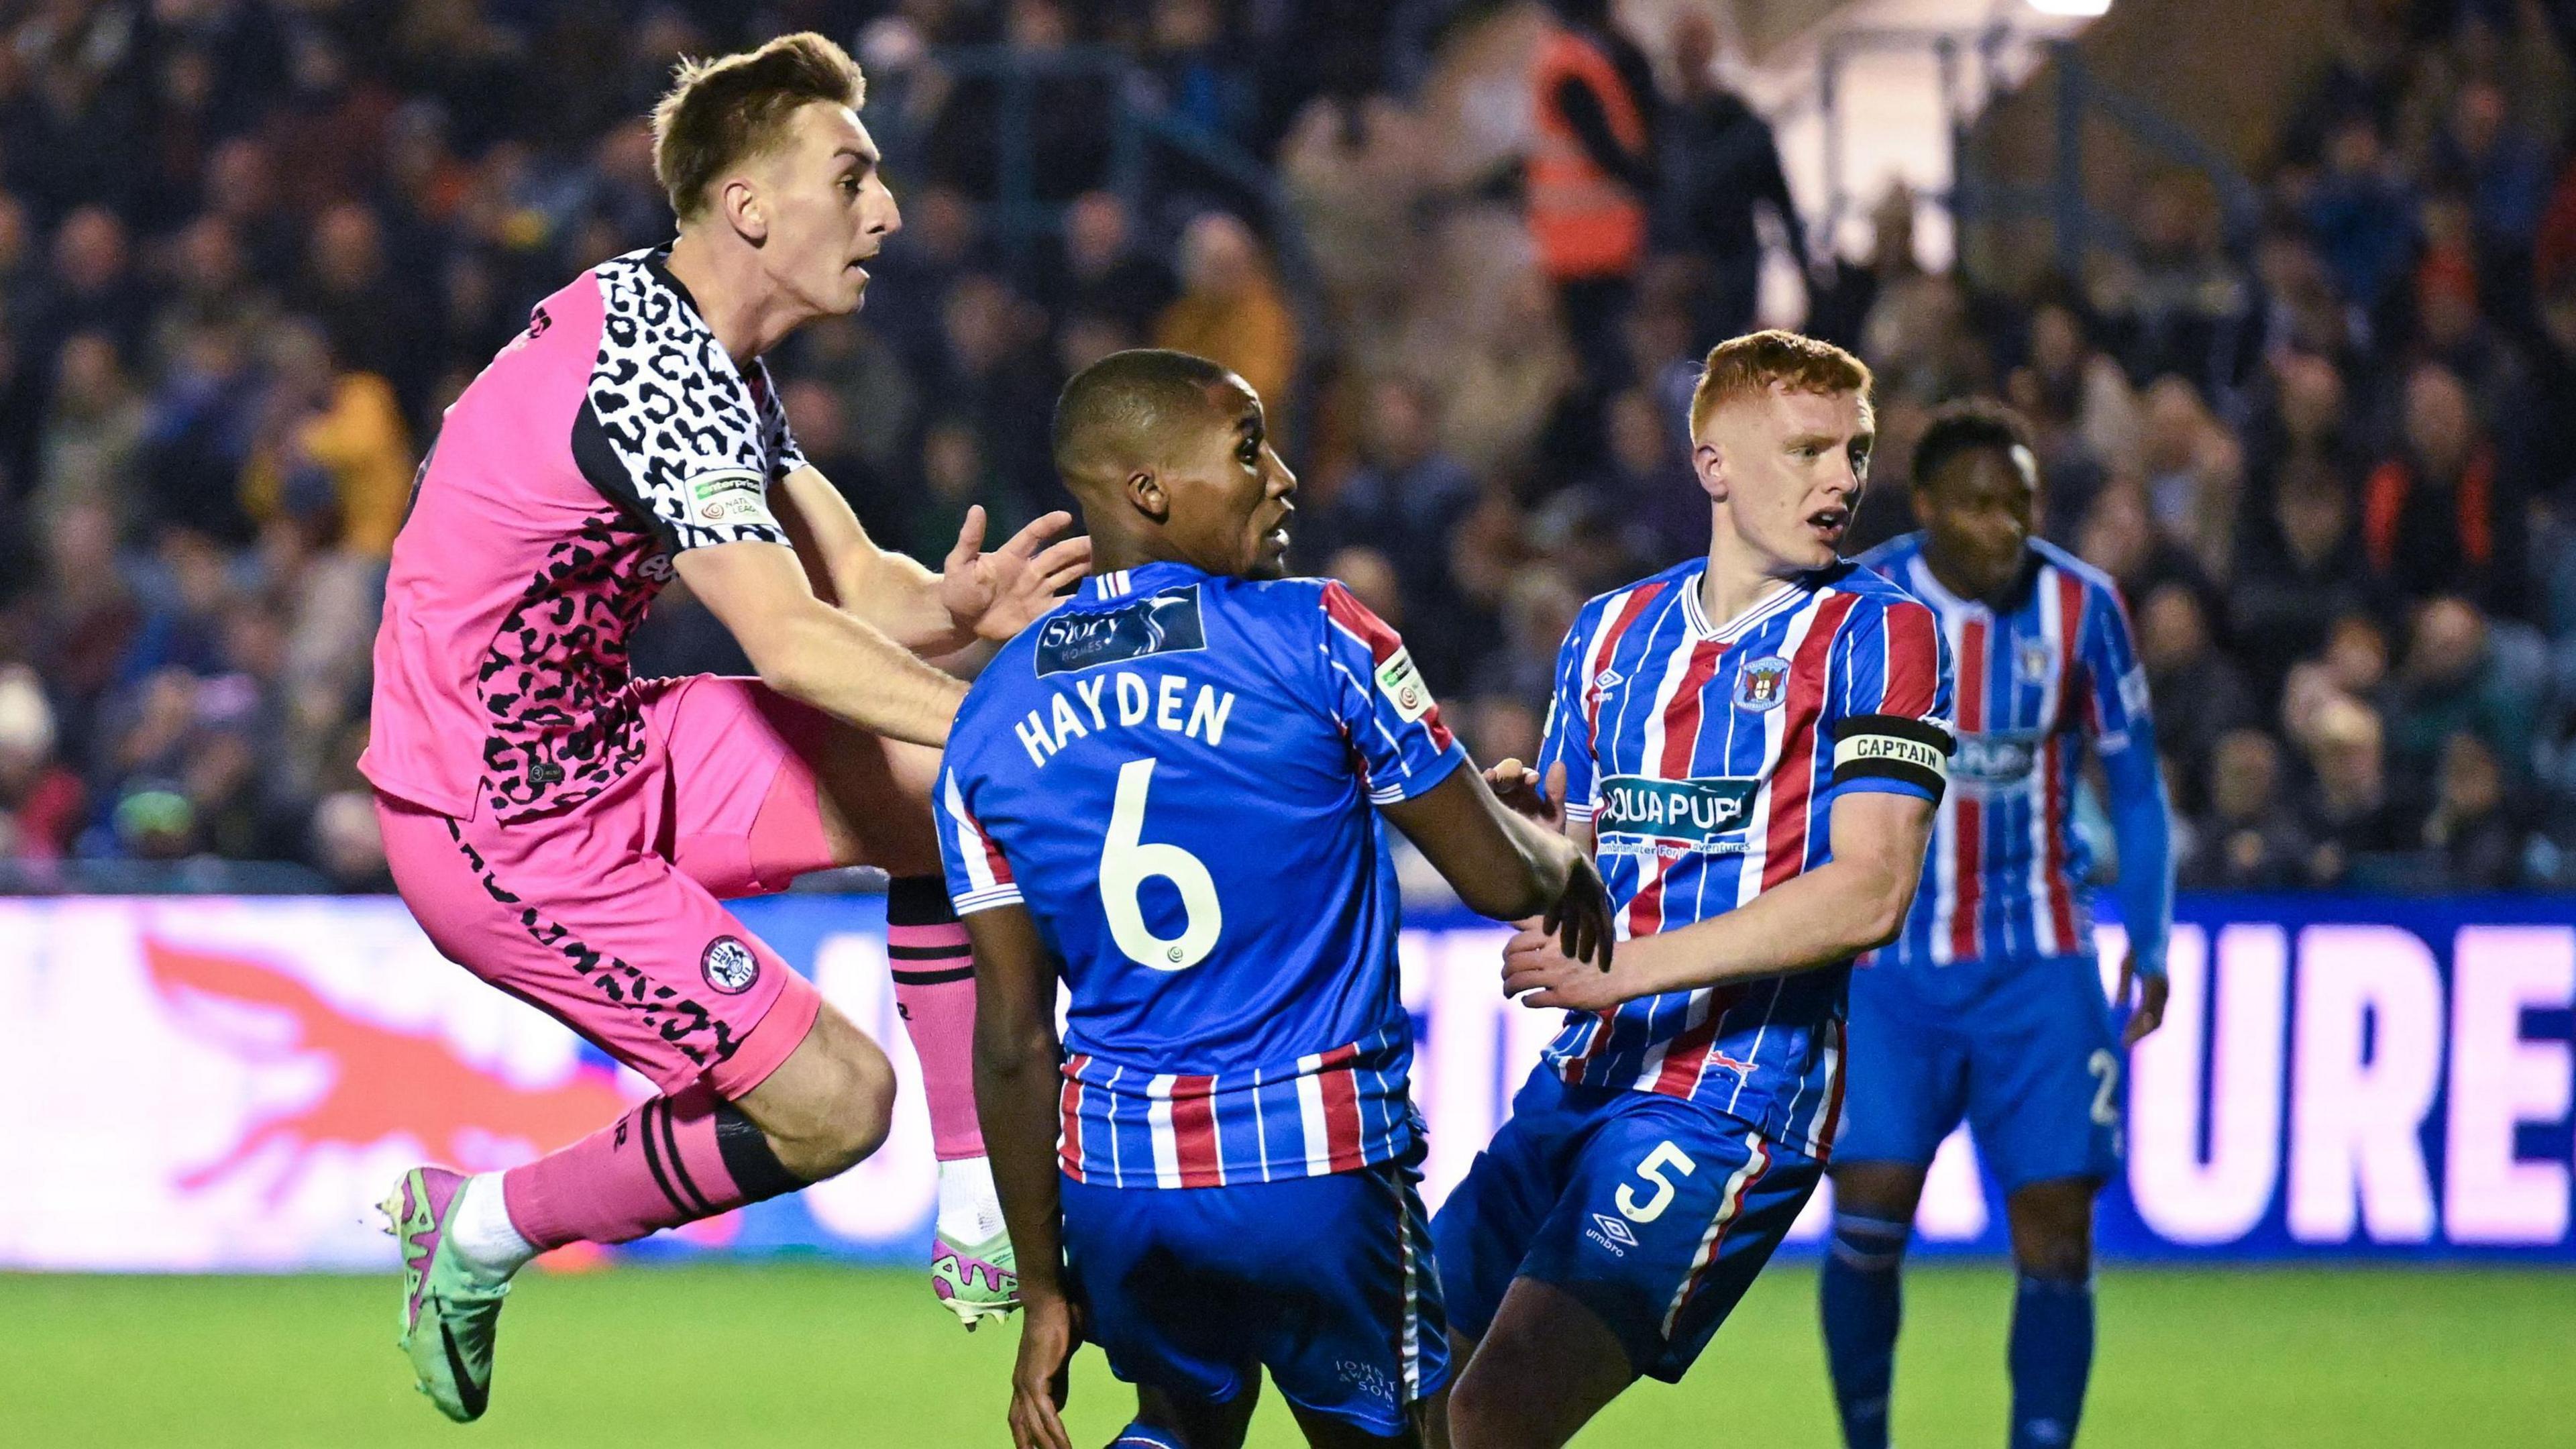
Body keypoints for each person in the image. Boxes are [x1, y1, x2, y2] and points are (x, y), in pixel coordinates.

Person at [360, 35, 1087, 1422]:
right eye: (852, 175)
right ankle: (484, 1228)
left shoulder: (703, 355)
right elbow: (800, 646)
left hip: (611, 745)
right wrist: (1006, 724)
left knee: (943, 786)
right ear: (749, 205)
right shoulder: (654, 368)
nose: (884, 211)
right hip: (495, 826)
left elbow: (859, 593)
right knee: (831, 1105)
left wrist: (956, 605)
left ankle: (979, 1200)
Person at [948, 350, 1613, 1449]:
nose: (1286, 476)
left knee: (1179, 1421)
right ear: (1150, 490)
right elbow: (1498, 879)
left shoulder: (986, 719)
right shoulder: (1321, 633)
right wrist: (1556, 856)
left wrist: (1044, 1290)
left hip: (1120, 1181)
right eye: (1249, 447)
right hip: (1313, 1167)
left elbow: (1014, 1039)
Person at [1432, 331, 1953, 1449]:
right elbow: (1565, 860)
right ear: (1711, 464)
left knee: (1497, 1413)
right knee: (1398, 1379)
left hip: (1730, 1103)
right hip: (1579, 1078)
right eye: (1807, 449)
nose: (1843, 480)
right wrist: (1513, 834)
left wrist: (1625, 966)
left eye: (1855, 451)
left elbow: (1870, 890)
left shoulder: (1884, 634)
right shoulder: (1611, 630)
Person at [1835, 400, 2175, 1449]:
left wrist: (2152, 940)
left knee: (2059, 1234)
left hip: (2041, 961)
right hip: (1890, 968)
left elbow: (2136, 786)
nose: (2004, 528)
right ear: (1929, 506)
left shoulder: (2085, 606)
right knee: (1870, 1215)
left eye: (2019, 505)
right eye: (1978, 506)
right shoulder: (1864, 599)